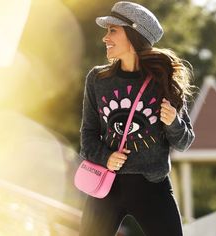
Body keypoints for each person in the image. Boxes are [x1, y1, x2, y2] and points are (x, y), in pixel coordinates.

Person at [78, 1, 195, 236]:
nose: (105, 38)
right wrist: (106, 157)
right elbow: (88, 136)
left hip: (152, 187)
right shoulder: (97, 80)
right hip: (106, 186)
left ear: (134, 34)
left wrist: (173, 122)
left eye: (113, 30)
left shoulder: (163, 81)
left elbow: (184, 142)